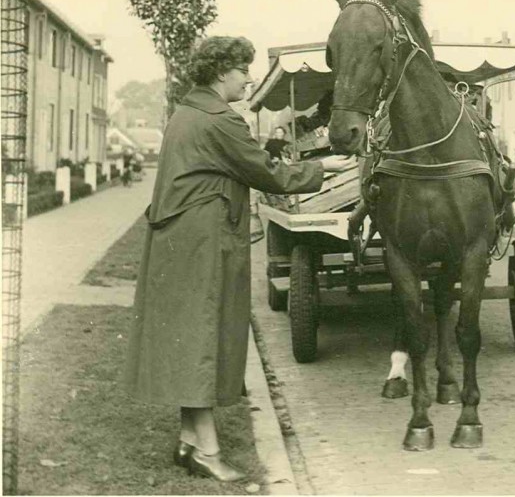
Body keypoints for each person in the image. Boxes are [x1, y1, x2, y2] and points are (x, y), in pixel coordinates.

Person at [124, 36, 351, 483]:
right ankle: (207, 451)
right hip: (201, 243)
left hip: (182, 240)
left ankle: (190, 440)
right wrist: (327, 169)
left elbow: (234, 163)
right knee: (203, 338)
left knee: (191, 335)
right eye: (243, 70)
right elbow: (265, 174)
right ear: (220, 73)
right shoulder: (219, 120)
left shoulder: (187, 113)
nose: (249, 78)